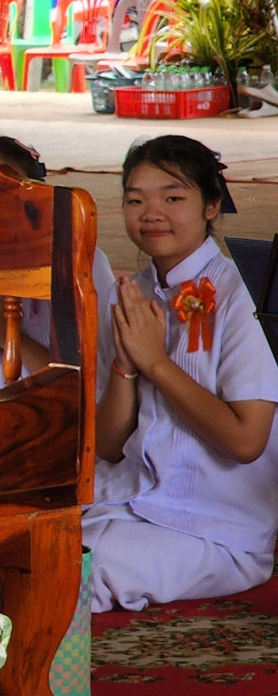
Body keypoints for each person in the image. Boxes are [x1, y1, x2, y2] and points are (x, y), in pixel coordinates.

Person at [86, 136, 278, 611]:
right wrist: (126, 367)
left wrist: (155, 363)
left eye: (172, 198)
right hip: (130, 500)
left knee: (85, 570)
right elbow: (107, 446)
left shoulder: (242, 294)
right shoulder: (131, 295)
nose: (152, 213)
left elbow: (245, 441)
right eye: (136, 200)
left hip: (214, 527)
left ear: (211, 205)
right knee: (21, 544)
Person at [0, 137, 117, 393]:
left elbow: (90, 391)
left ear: (39, 199)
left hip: (72, 414)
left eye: (8, 194)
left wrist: (8, 335)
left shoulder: (83, 265)